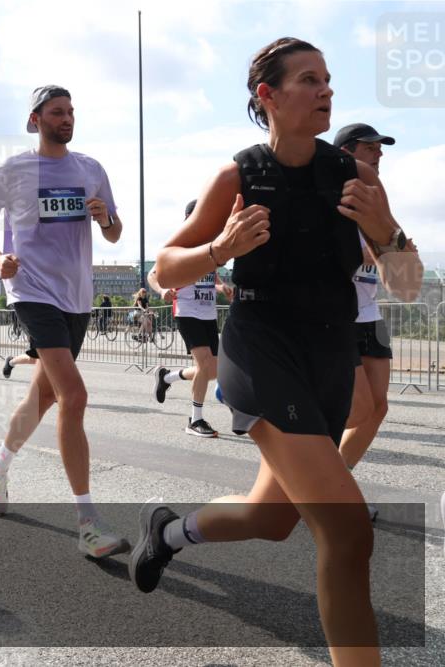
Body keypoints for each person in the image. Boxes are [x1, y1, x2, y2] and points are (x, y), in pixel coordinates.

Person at [129, 38, 420, 666]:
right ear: (268, 95)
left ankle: (170, 533)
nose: (326, 90)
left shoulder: (356, 178)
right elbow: (163, 270)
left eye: (328, 79)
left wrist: (388, 233)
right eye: (309, 79)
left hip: (328, 355)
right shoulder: (239, 176)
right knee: (346, 531)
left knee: (272, 517)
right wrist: (220, 249)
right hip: (261, 348)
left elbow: (407, 285)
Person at [0, 85, 129, 559]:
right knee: (73, 396)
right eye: (57, 112)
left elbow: (115, 233)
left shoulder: (90, 169)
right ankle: (88, 523)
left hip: (76, 297)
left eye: (71, 111)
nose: (67, 118)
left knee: (42, 396)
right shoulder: (14, 170)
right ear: (36, 120)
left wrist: (105, 219)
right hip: (31, 291)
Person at [334, 123, 404, 522]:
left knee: (377, 408)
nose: (379, 154)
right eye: (370, 147)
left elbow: (397, 261)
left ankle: (336, 484)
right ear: (347, 152)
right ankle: (315, 480)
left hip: (371, 315)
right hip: (337, 317)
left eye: (380, 148)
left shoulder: (377, 202)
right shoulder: (330, 196)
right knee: (356, 409)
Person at [153, 199, 234, 438]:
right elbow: (153, 274)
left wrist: (221, 287)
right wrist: (161, 290)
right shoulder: (180, 244)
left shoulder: (208, 245)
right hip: (187, 311)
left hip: (208, 313)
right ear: (190, 218)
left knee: (211, 370)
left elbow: (211, 276)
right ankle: (195, 420)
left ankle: (167, 377)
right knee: (204, 364)